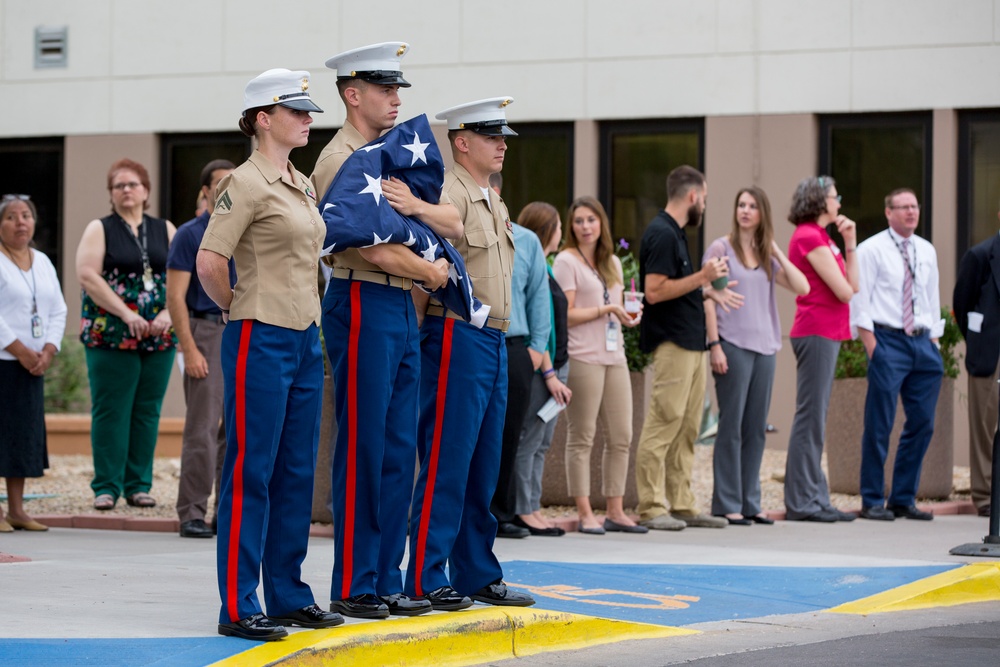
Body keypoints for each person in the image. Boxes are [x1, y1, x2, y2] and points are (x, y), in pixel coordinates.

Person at [196, 68, 343, 641]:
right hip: (260, 333)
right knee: (252, 470)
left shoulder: (301, 183)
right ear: (263, 119)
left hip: (305, 336)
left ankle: (288, 594)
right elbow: (211, 261)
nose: (308, 119)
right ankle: (238, 603)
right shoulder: (245, 182)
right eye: (296, 111)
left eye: (308, 111)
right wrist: (236, 307)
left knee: (297, 471)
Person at [313, 42, 456, 620]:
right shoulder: (338, 159)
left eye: (398, 90)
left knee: (399, 450)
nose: (396, 100)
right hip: (362, 298)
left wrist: (420, 251)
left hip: (398, 306)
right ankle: (354, 580)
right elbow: (369, 247)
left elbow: (440, 221)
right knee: (365, 446)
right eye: (385, 89)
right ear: (353, 94)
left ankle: (386, 576)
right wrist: (429, 272)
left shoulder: (388, 156)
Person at [405, 97, 535, 610]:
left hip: (493, 339)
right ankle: (426, 575)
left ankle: (476, 571)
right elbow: (425, 271)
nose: (501, 144)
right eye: (490, 136)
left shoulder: (493, 200)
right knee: (448, 457)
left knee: (483, 463)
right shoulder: (448, 192)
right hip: (456, 334)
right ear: (461, 142)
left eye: (502, 136)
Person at [635, 165, 738, 531]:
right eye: (704, 199)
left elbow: (676, 288)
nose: (704, 206)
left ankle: (682, 503)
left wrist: (705, 290)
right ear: (693, 195)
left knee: (687, 427)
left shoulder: (675, 232)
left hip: (692, 345)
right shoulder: (662, 233)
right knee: (665, 420)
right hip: (673, 343)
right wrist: (703, 277)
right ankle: (651, 506)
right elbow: (654, 291)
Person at [76, 159, 177, 511]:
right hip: (111, 333)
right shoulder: (99, 228)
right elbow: (87, 275)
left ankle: (138, 486)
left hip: (159, 333)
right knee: (111, 411)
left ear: (146, 190)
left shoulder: (164, 228)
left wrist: (168, 313)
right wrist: (126, 313)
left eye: (133, 184)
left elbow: (183, 274)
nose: (126, 190)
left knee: (147, 411)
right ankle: (106, 487)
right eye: (119, 185)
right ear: (111, 193)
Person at [703, 187, 808, 525]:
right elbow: (708, 298)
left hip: (765, 347)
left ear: (762, 213)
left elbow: (803, 287)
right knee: (731, 426)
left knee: (756, 429)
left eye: (752, 206)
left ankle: (750, 501)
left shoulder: (767, 257)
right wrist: (714, 344)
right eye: (741, 205)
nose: (745, 210)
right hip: (732, 344)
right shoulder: (721, 249)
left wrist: (775, 249)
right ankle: (727, 502)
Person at [552, 196, 646, 535]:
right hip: (583, 356)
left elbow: (617, 309)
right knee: (582, 436)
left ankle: (615, 511)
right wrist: (606, 310)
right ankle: (584, 512)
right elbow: (565, 314)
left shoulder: (613, 263)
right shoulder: (566, 261)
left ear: (601, 223)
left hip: (614, 355)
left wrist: (628, 317)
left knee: (622, 436)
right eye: (579, 221)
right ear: (572, 226)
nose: (585, 226)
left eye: (591, 219)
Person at [853, 188, 943, 522]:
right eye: (903, 207)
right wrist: (872, 345)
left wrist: (934, 340)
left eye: (914, 206)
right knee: (880, 423)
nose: (911, 212)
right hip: (887, 340)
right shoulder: (870, 249)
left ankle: (903, 498)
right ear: (888, 212)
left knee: (923, 423)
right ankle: (872, 499)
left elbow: (931, 296)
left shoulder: (926, 249)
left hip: (922, 344)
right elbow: (860, 299)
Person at [783, 176, 859, 522]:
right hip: (816, 331)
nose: (839, 202)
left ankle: (816, 497)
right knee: (810, 417)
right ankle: (803, 502)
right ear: (819, 200)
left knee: (816, 417)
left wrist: (850, 242)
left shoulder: (823, 237)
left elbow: (853, 285)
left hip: (827, 332)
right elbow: (843, 292)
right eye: (834, 196)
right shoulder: (808, 236)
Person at [166, 159, 236, 539]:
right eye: (220, 183)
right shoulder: (189, 235)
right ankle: (191, 512)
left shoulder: (245, 229)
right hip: (205, 331)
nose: (227, 189)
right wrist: (189, 349)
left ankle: (225, 513)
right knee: (203, 429)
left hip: (239, 328)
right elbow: (175, 297)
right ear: (206, 191)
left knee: (235, 430)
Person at [0, 194, 67, 533]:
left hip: (33, 365)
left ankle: (17, 510)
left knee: (22, 436)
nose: (20, 222)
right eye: (11, 217)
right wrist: (20, 350)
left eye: (25, 215)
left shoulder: (42, 261)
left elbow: (58, 309)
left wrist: (49, 349)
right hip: (5, 360)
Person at [492, 174, 551, 539]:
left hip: (515, 348)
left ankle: (501, 513)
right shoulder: (457, 229)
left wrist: (536, 349)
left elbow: (539, 297)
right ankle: (465, 514)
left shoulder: (527, 241)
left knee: (510, 433)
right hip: (471, 340)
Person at [513, 202, 572, 536]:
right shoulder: (535, 266)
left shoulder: (547, 266)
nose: (562, 232)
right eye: (559, 225)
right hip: (542, 369)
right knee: (530, 440)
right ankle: (524, 509)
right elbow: (538, 323)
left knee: (543, 442)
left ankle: (533, 506)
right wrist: (548, 373)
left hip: (556, 366)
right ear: (548, 229)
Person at [954, 217, 1000, 518]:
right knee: (984, 427)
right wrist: (978, 341)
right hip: (990, 354)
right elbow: (962, 303)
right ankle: (985, 497)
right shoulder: (980, 255)